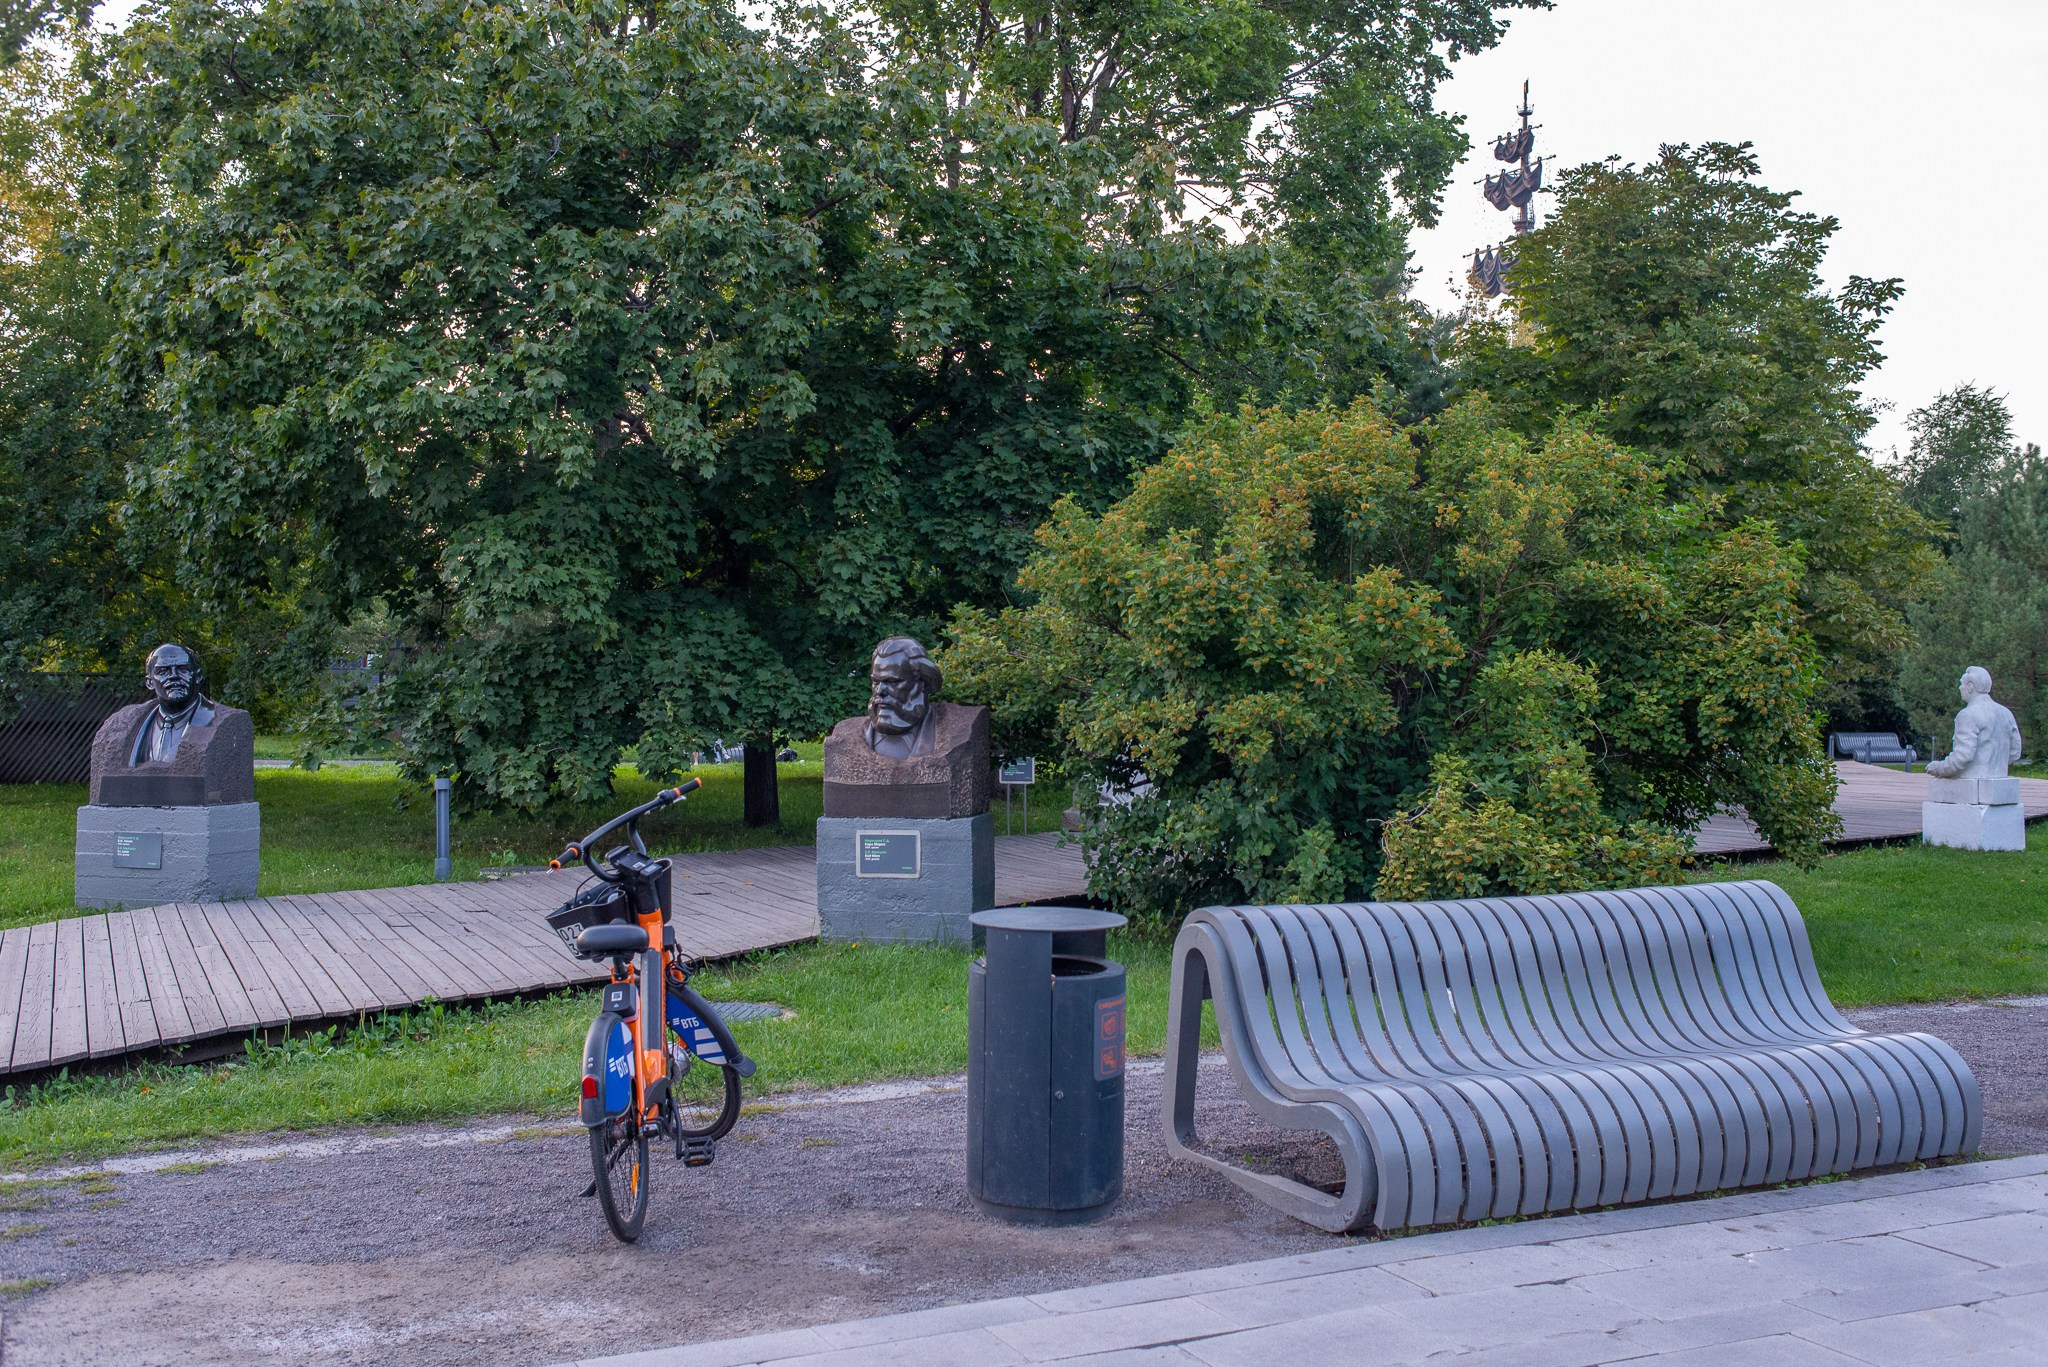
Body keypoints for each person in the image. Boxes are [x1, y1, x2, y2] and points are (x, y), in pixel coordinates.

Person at [1925, 666, 2023, 782]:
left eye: (1962, 684)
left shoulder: (1967, 714)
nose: (1960, 687)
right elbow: (2014, 752)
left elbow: (1963, 756)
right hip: (1999, 778)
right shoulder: (2006, 713)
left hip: (1972, 781)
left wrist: (1939, 768)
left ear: (1971, 686)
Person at [130, 643, 218, 766]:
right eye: (163, 671)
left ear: (198, 676)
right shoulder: (134, 724)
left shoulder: (215, 720)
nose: (174, 676)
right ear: (150, 682)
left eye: (183, 669)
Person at [864, 637, 943, 760]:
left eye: (892, 682)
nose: (880, 691)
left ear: (920, 683)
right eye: (876, 682)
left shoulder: (944, 734)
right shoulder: (852, 736)